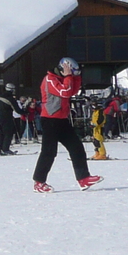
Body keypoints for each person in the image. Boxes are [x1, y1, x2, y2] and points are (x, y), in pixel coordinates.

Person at [32, 58, 102, 192]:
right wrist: (69, 76)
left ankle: (83, 178)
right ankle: (39, 182)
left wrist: (76, 77)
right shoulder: (50, 79)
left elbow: (73, 91)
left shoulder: (62, 78)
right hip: (50, 119)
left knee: (76, 147)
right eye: (72, 72)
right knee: (49, 152)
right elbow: (65, 92)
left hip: (62, 119)